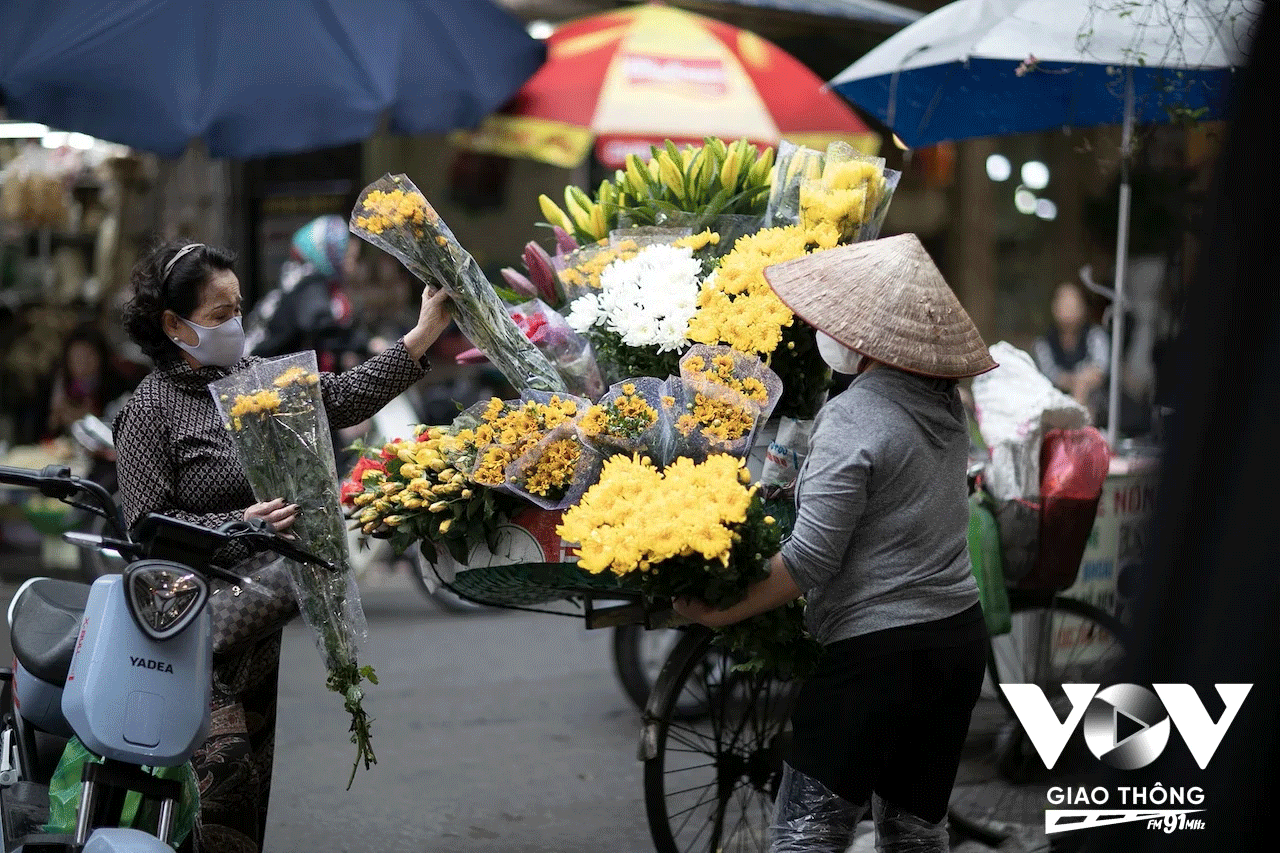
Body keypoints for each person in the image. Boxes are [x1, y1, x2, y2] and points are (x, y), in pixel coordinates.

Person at [113, 240, 450, 853]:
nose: (235, 325)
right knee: (227, 773)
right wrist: (237, 521)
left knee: (249, 804)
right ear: (171, 324)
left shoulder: (254, 387)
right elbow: (145, 526)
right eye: (219, 315)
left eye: (238, 309)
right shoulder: (148, 412)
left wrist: (420, 337)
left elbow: (339, 399)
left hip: (257, 622)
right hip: (190, 628)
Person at [673, 233, 996, 853]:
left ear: (862, 338)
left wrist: (719, 611)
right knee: (915, 838)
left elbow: (808, 560)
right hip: (955, 647)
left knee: (807, 841)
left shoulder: (853, 417)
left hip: (876, 661)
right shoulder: (945, 404)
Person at [243, 214, 365, 373]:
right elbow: (319, 325)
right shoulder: (309, 283)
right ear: (330, 253)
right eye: (349, 257)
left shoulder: (299, 278)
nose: (353, 266)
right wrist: (364, 344)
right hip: (263, 377)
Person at [1033, 279, 1110, 418]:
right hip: (1054, 406)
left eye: (1073, 302)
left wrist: (1081, 384)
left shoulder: (1095, 336)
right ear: (1054, 307)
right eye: (1063, 302)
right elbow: (1051, 375)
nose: (1068, 307)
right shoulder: (1043, 343)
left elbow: (1099, 372)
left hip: (1097, 408)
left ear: (1083, 307)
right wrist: (1078, 381)